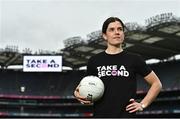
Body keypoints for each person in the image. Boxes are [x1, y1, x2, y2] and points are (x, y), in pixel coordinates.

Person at [74, 17, 162, 118]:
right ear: (104, 35)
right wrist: (77, 93)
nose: (117, 32)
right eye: (112, 30)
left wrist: (142, 104)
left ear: (123, 34)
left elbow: (156, 84)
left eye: (120, 29)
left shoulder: (134, 59)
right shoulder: (94, 61)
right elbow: (83, 86)